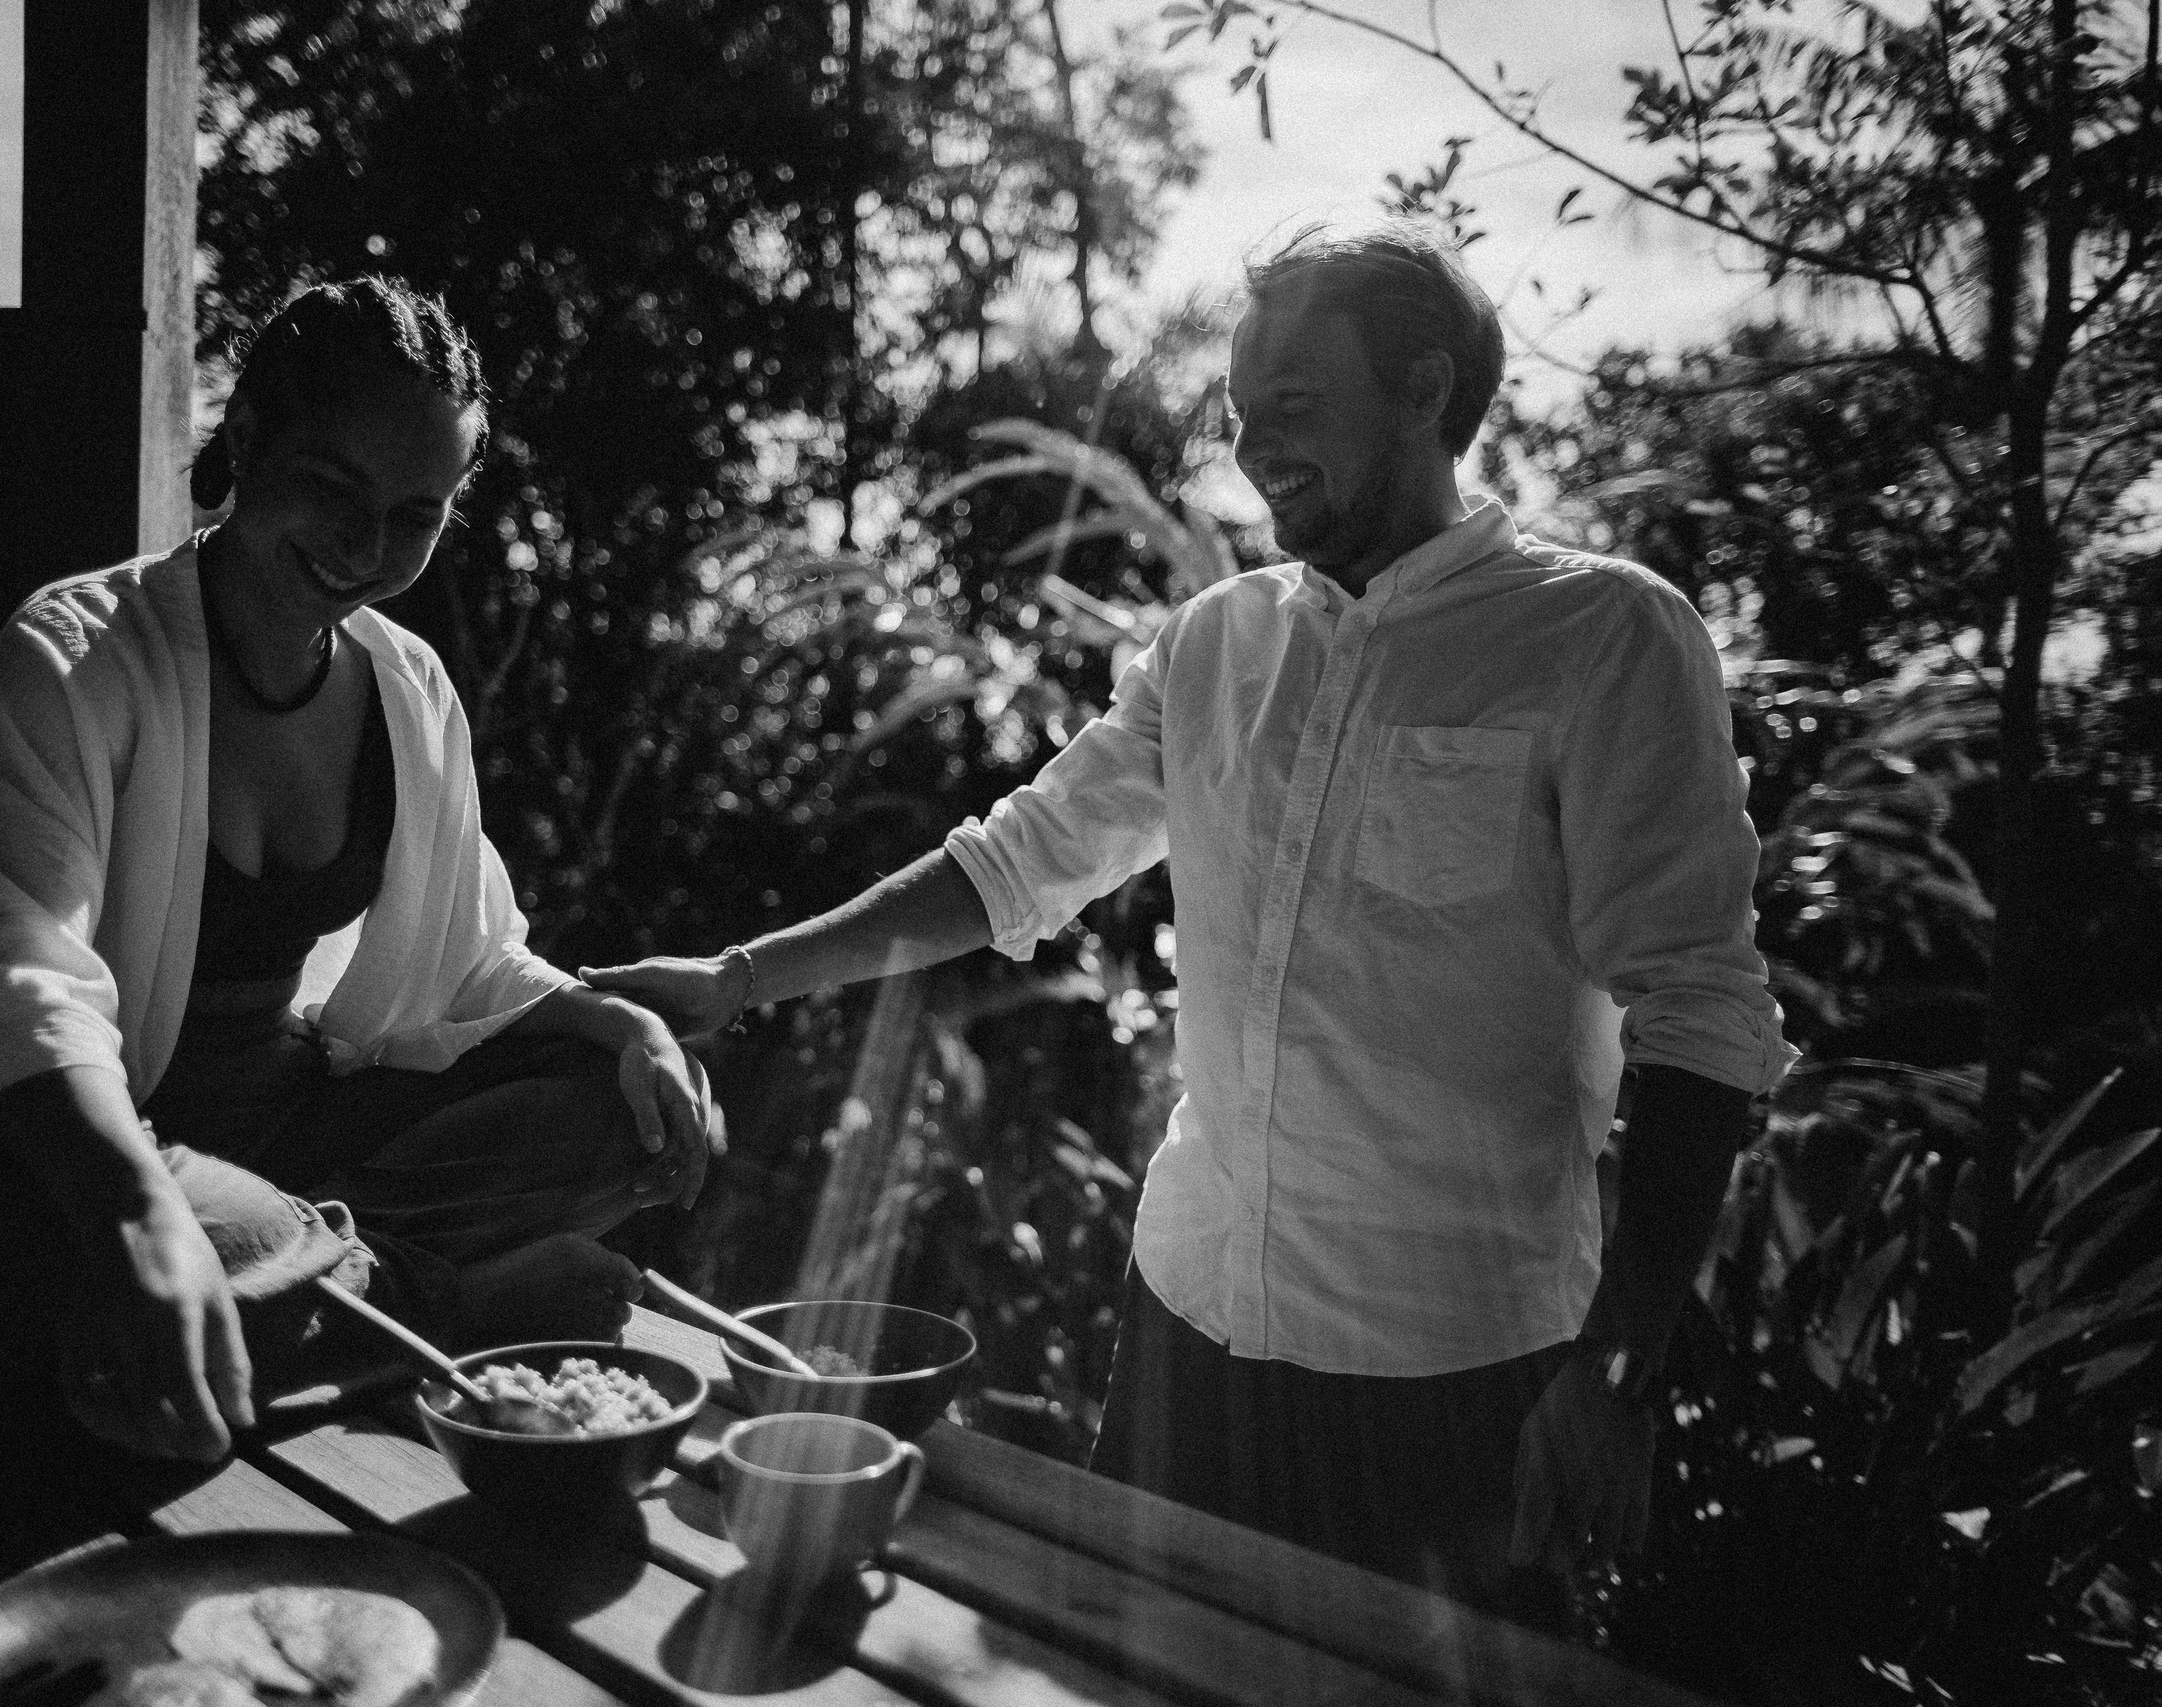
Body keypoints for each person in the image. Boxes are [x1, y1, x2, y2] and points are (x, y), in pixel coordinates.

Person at [586, 220, 1794, 1612]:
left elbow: (1700, 1016)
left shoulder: (1605, 638)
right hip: (1188, 1339)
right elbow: (1015, 862)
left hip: (1453, 1381)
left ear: (1424, 388)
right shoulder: (1218, 639)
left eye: (1294, 406)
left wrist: (1621, 1366)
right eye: (1239, 412)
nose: (1252, 446)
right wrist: (737, 975)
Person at [0, 279, 719, 1465]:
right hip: (80, 1160)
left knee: (624, 1105)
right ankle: (442, 1307)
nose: (361, 548)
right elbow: (20, 970)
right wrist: (140, 1207)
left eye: (412, 514)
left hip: (297, 1140)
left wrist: (615, 1024)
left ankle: (298, 1286)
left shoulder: (410, 690)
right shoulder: (79, 652)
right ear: (246, 438)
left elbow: (471, 956)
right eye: (332, 487)